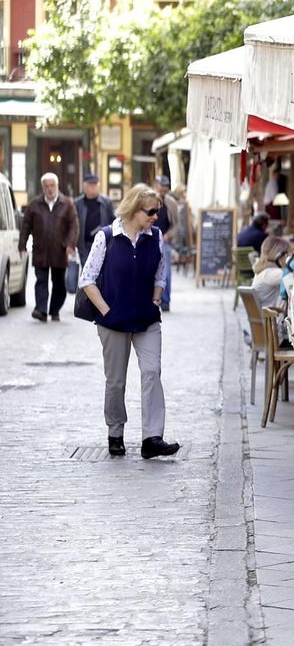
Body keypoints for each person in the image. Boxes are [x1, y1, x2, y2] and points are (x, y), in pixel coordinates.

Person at [78, 184, 178, 459]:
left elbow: (160, 273)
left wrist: (156, 298)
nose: (156, 216)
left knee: (151, 372)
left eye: (157, 211)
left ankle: (152, 438)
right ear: (134, 210)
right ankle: (115, 432)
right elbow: (86, 279)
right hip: (113, 321)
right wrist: (106, 311)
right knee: (116, 381)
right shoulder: (107, 237)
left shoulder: (155, 236)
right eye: (151, 211)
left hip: (146, 319)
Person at [19, 172, 78, 322]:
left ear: (57, 186)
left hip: (60, 251)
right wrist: (22, 244)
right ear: (43, 187)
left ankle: (54, 310)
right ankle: (41, 310)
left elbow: (74, 226)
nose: (50, 189)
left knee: (59, 284)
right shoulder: (34, 204)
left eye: (52, 185)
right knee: (41, 282)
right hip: (40, 250)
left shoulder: (67, 204)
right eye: (46, 186)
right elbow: (26, 225)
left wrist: (70, 244)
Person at [153, 175, 182, 311]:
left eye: (165, 185)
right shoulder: (149, 200)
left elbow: (176, 224)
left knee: (166, 273)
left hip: (164, 241)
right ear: (156, 185)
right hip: (149, 239)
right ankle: (152, 301)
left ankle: (165, 301)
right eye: (161, 185)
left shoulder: (171, 203)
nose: (163, 188)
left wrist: (168, 235)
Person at [74, 173, 115, 266]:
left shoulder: (106, 202)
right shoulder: (78, 203)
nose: (93, 187)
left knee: (101, 269)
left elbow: (113, 221)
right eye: (90, 184)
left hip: (102, 242)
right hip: (84, 243)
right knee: (87, 269)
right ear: (84, 186)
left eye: (95, 184)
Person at [252, 236, 292, 309]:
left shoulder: (263, 271)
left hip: (266, 315)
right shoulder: (272, 273)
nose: (288, 257)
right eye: (287, 255)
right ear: (280, 256)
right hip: (272, 316)